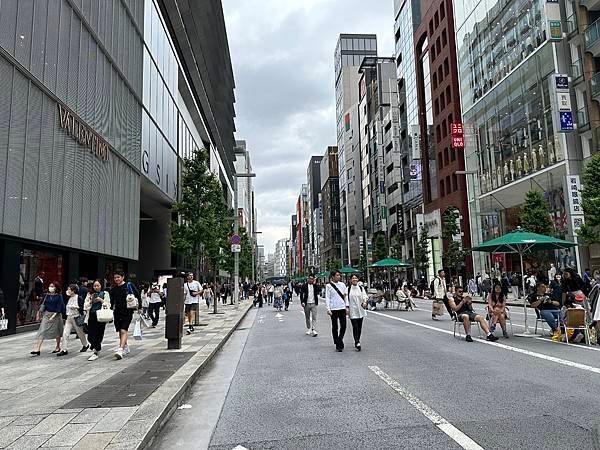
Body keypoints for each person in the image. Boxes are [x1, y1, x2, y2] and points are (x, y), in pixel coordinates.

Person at [110, 271, 141, 359]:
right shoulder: (114, 288)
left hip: (127, 311)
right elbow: (112, 301)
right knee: (120, 331)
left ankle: (120, 350)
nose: (116, 279)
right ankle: (125, 347)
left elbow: (137, 295)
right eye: (115, 277)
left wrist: (140, 307)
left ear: (123, 277)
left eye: (118, 277)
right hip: (117, 312)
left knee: (124, 330)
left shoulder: (128, 285)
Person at [31, 282, 65, 356]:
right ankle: (38, 349)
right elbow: (42, 304)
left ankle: (58, 346)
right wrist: (38, 314)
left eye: (52, 286)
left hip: (56, 315)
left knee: (56, 331)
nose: (51, 288)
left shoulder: (59, 296)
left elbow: (59, 307)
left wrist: (53, 316)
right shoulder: (46, 295)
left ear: (56, 288)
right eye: (50, 286)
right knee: (42, 330)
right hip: (46, 314)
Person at [57, 284, 89, 356]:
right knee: (65, 333)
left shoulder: (79, 298)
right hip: (69, 318)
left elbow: (83, 308)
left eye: (69, 289)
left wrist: (76, 307)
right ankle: (64, 349)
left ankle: (85, 345)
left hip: (76, 317)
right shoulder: (68, 298)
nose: (67, 291)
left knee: (80, 333)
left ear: (73, 291)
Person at [84, 280, 111, 361]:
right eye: (95, 286)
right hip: (92, 316)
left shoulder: (105, 293)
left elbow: (108, 304)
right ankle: (96, 347)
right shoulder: (89, 294)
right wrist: (91, 301)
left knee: (99, 333)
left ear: (101, 286)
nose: (96, 287)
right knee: (90, 335)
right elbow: (85, 306)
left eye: (98, 285)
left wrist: (101, 300)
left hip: (101, 315)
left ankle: (96, 351)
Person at [325, 270, 349, 352]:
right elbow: (327, 298)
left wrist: (347, 307)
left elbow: (345, 296)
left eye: (339, 275)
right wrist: (328, 309)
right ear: (333, 276)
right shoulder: (328, 286)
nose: (339, 276)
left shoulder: (342, 285)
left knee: (344, 325)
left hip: (342, 307)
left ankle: (339, 339)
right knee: (335, 327)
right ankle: (337, 342)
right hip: (333, 308)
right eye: (337, 275)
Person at [347, 275, 368, 351]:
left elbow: (365, 296)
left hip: (361, 310)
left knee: (359, 327)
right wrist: (347, 308)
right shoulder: (348, 289)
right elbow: (346, 299)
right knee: (355, 326)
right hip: (352, 310)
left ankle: (358, 339)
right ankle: (357, 342)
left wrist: (365, 302)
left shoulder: (361, 288)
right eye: (353, 278)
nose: (354, 279)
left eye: (356, 278)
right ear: (350, 280)